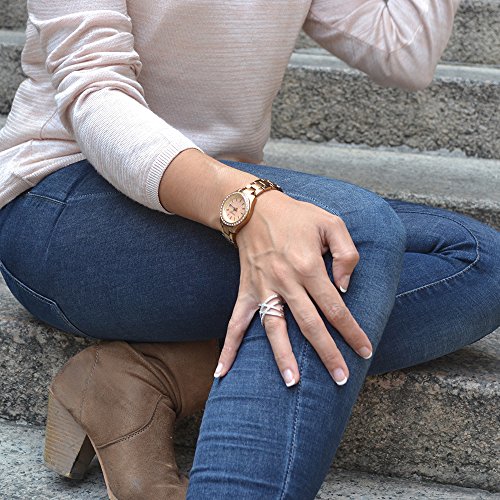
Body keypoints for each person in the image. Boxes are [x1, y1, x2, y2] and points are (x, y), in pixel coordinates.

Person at [0, 1, 498, 498]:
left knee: (477, 260)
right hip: (67, 201)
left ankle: (153, 374)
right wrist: (248, 205)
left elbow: (405, 51)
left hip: (213, 207)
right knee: (347, 234)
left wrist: (249, 205)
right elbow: (94, 91)